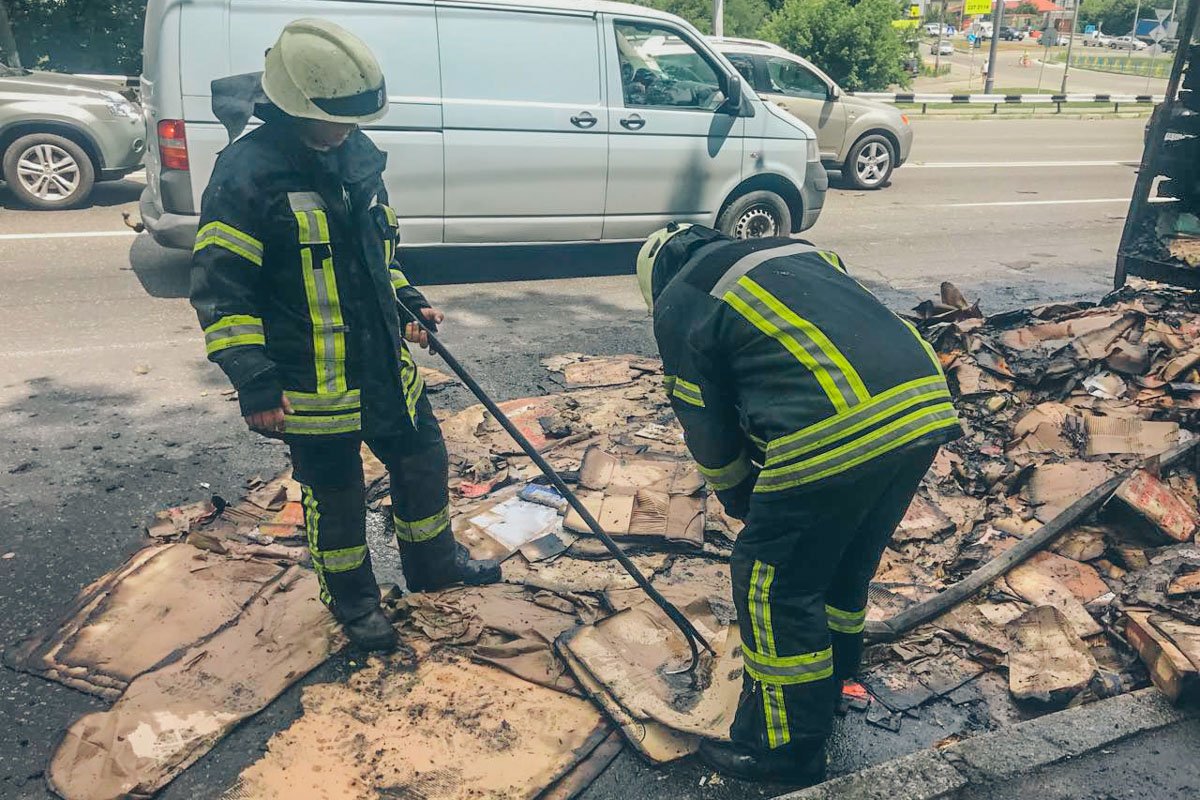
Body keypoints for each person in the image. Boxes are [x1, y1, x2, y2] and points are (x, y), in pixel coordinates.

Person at [191, 18, 499, 653]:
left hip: (384, 366)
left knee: (421, 464)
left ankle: (433, 564)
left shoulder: (355, 157)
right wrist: (254, 381)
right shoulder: (247, 175)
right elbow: (224, 293)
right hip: (310, 385)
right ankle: (356, 605)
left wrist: (408, 302)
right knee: (336, 501)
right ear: (294, 104)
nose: (347, 130)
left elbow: (376, 254)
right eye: (334, 118)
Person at [635, 224, 961, 784]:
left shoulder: (682, 298)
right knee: (843, 562)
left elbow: (704, 420)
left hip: (836, 429)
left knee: (772, 582)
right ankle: (832, 680)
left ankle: (787, 748)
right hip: (923, 405)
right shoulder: (791, 252)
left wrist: (739, 494)